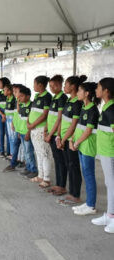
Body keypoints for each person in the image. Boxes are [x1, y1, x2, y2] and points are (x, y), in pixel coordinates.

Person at [69, 82, 100, 216]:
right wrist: (72, 139)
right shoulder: (84, 107)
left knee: (89, 176)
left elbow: (88, 131)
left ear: (87, 93)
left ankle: (91, 205)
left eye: (79, 91)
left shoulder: (93, 110)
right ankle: (88, 203)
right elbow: (79, 127)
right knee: (86, 174)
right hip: (81, 145)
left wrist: (76, 143)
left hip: (87, 146)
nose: (77, 93)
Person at [57, 75, 87, 206]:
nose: (64, 87)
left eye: (66, 85)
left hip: (70, 140)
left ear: (73, 87)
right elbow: (63, 120)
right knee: (69, 165)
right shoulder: (69, 101)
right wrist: (59, 136)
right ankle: (71, 191)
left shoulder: (77, 103)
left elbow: (74, 125)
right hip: (63, 139)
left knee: (74, 167)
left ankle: (76, 195)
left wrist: (64, 139)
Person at [93, 77, 114, 233]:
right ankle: (109, 214)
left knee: (112, 185)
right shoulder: (106, 107)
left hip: (111, 152)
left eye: (98, 87)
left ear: (106, 91)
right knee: (109, 183)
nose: (96, 90)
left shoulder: (112, 109)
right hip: (106, 152)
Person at [27, 76, 53, 188]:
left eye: (34, 84)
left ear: (40, 85)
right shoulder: (37, 96)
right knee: (38, 153)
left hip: (41, 129)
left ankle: (46, 178)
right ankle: (40, 175)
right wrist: (29, 122)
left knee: (45, 153)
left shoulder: (47, 97)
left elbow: (45, 114)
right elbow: (33, 111)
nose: (33, 86)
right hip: (33, 129)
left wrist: (33, 124)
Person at [45, 75, 68, 196]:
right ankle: (58, 184)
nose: (52, 88)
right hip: (51, 133)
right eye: (50, 86)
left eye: (55, 85)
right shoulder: (55, 97)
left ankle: (62, 186)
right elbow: (50, 115)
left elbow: (59, 118)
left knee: (61, 161)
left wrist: (52, 134)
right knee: (57, 160)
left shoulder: (62, 98)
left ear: (60, 85)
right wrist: (46, 130)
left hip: (55, 134)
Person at [17, 86, 38, 178]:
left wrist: (28, 133)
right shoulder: (22, 105)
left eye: (21, 96)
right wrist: (19, 131)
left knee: (29, 152)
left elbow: (31, 121)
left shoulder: (31, 106)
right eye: (19, 96)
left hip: (27, 133)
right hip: (21, 132)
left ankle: (33, 170)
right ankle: (28, 168)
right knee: (25, 152)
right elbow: (21, 119)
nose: (19, 98)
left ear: (28, 96)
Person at [2, 84, 17, 172]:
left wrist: (13, 122)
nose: (4, 92)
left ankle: (14, 155)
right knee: (10, 138)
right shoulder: (8, 98)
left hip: (12, 120)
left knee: (13, 138)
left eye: (6, 90)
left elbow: (15, 112)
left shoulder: (14, 99)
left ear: (10, 91)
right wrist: (4, 116)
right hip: (8, 118)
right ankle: (12, 154)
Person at [0, 77, 11, 158]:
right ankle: (2, 150)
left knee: (8, 133)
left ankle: (8, 152)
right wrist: (2, 114)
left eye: (0, 83)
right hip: (0, 113)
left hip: (8, 113)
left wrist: (5, 114)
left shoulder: (9, 93)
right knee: (2, 133)